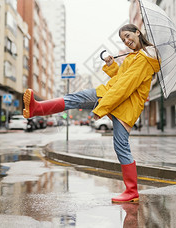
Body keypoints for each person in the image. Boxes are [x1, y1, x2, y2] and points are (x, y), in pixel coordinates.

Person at [23, 23, 160, 203]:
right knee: (78, 100)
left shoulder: (143, 59)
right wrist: (112, 66)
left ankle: (131, 192)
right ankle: (37, 108)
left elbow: (124, 87)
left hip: (120, 103)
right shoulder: (136, 57)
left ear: (137, 32)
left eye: (128, 36)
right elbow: (122, 79)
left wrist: (101, 108)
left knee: (118, 144)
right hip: (117, 100)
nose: (126, 41)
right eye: (123, 39)